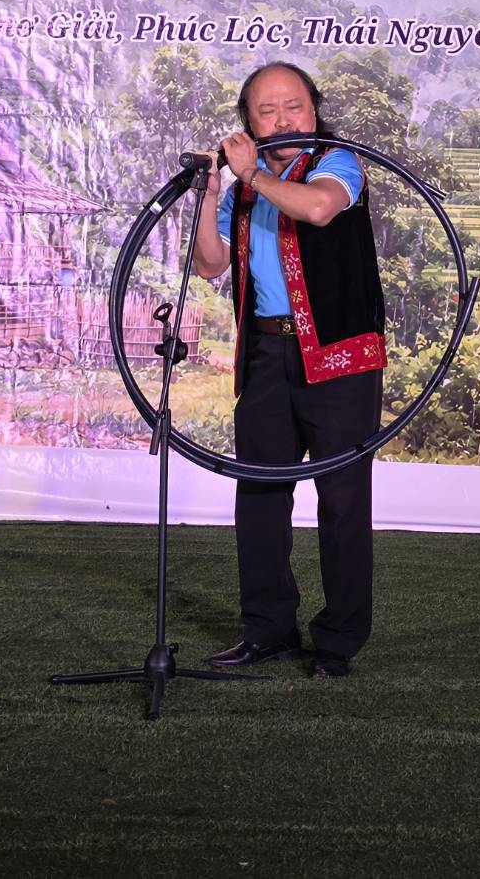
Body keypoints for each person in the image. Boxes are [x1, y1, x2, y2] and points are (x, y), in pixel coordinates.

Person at [193, 62, 386, 679]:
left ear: (314, 109)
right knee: (260, 493)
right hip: (266, 353)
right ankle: (268, 630)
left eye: (293, 107)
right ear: (248, 122)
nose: (281, 120)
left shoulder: (337, 162)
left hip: (338, 355)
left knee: (343, 497)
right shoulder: (243, 189)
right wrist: (211, 191)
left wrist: (253, 173)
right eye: (266, 111)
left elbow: (319, 209)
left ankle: (337, 642)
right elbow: (209, 265)